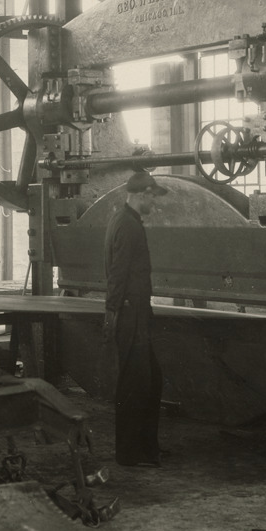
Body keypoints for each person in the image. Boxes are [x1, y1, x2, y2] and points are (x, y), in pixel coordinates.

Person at [103, 171, 168, 467]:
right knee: (135, 384)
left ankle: (146, 447)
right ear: (142, 194)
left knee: (151, 380)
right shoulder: (128, 225)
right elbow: (117, 273)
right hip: (131, 313)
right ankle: (129, 453)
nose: (155, 203)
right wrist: (113, 312)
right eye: (153, 197)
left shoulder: (125, 220)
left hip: (137, 311)